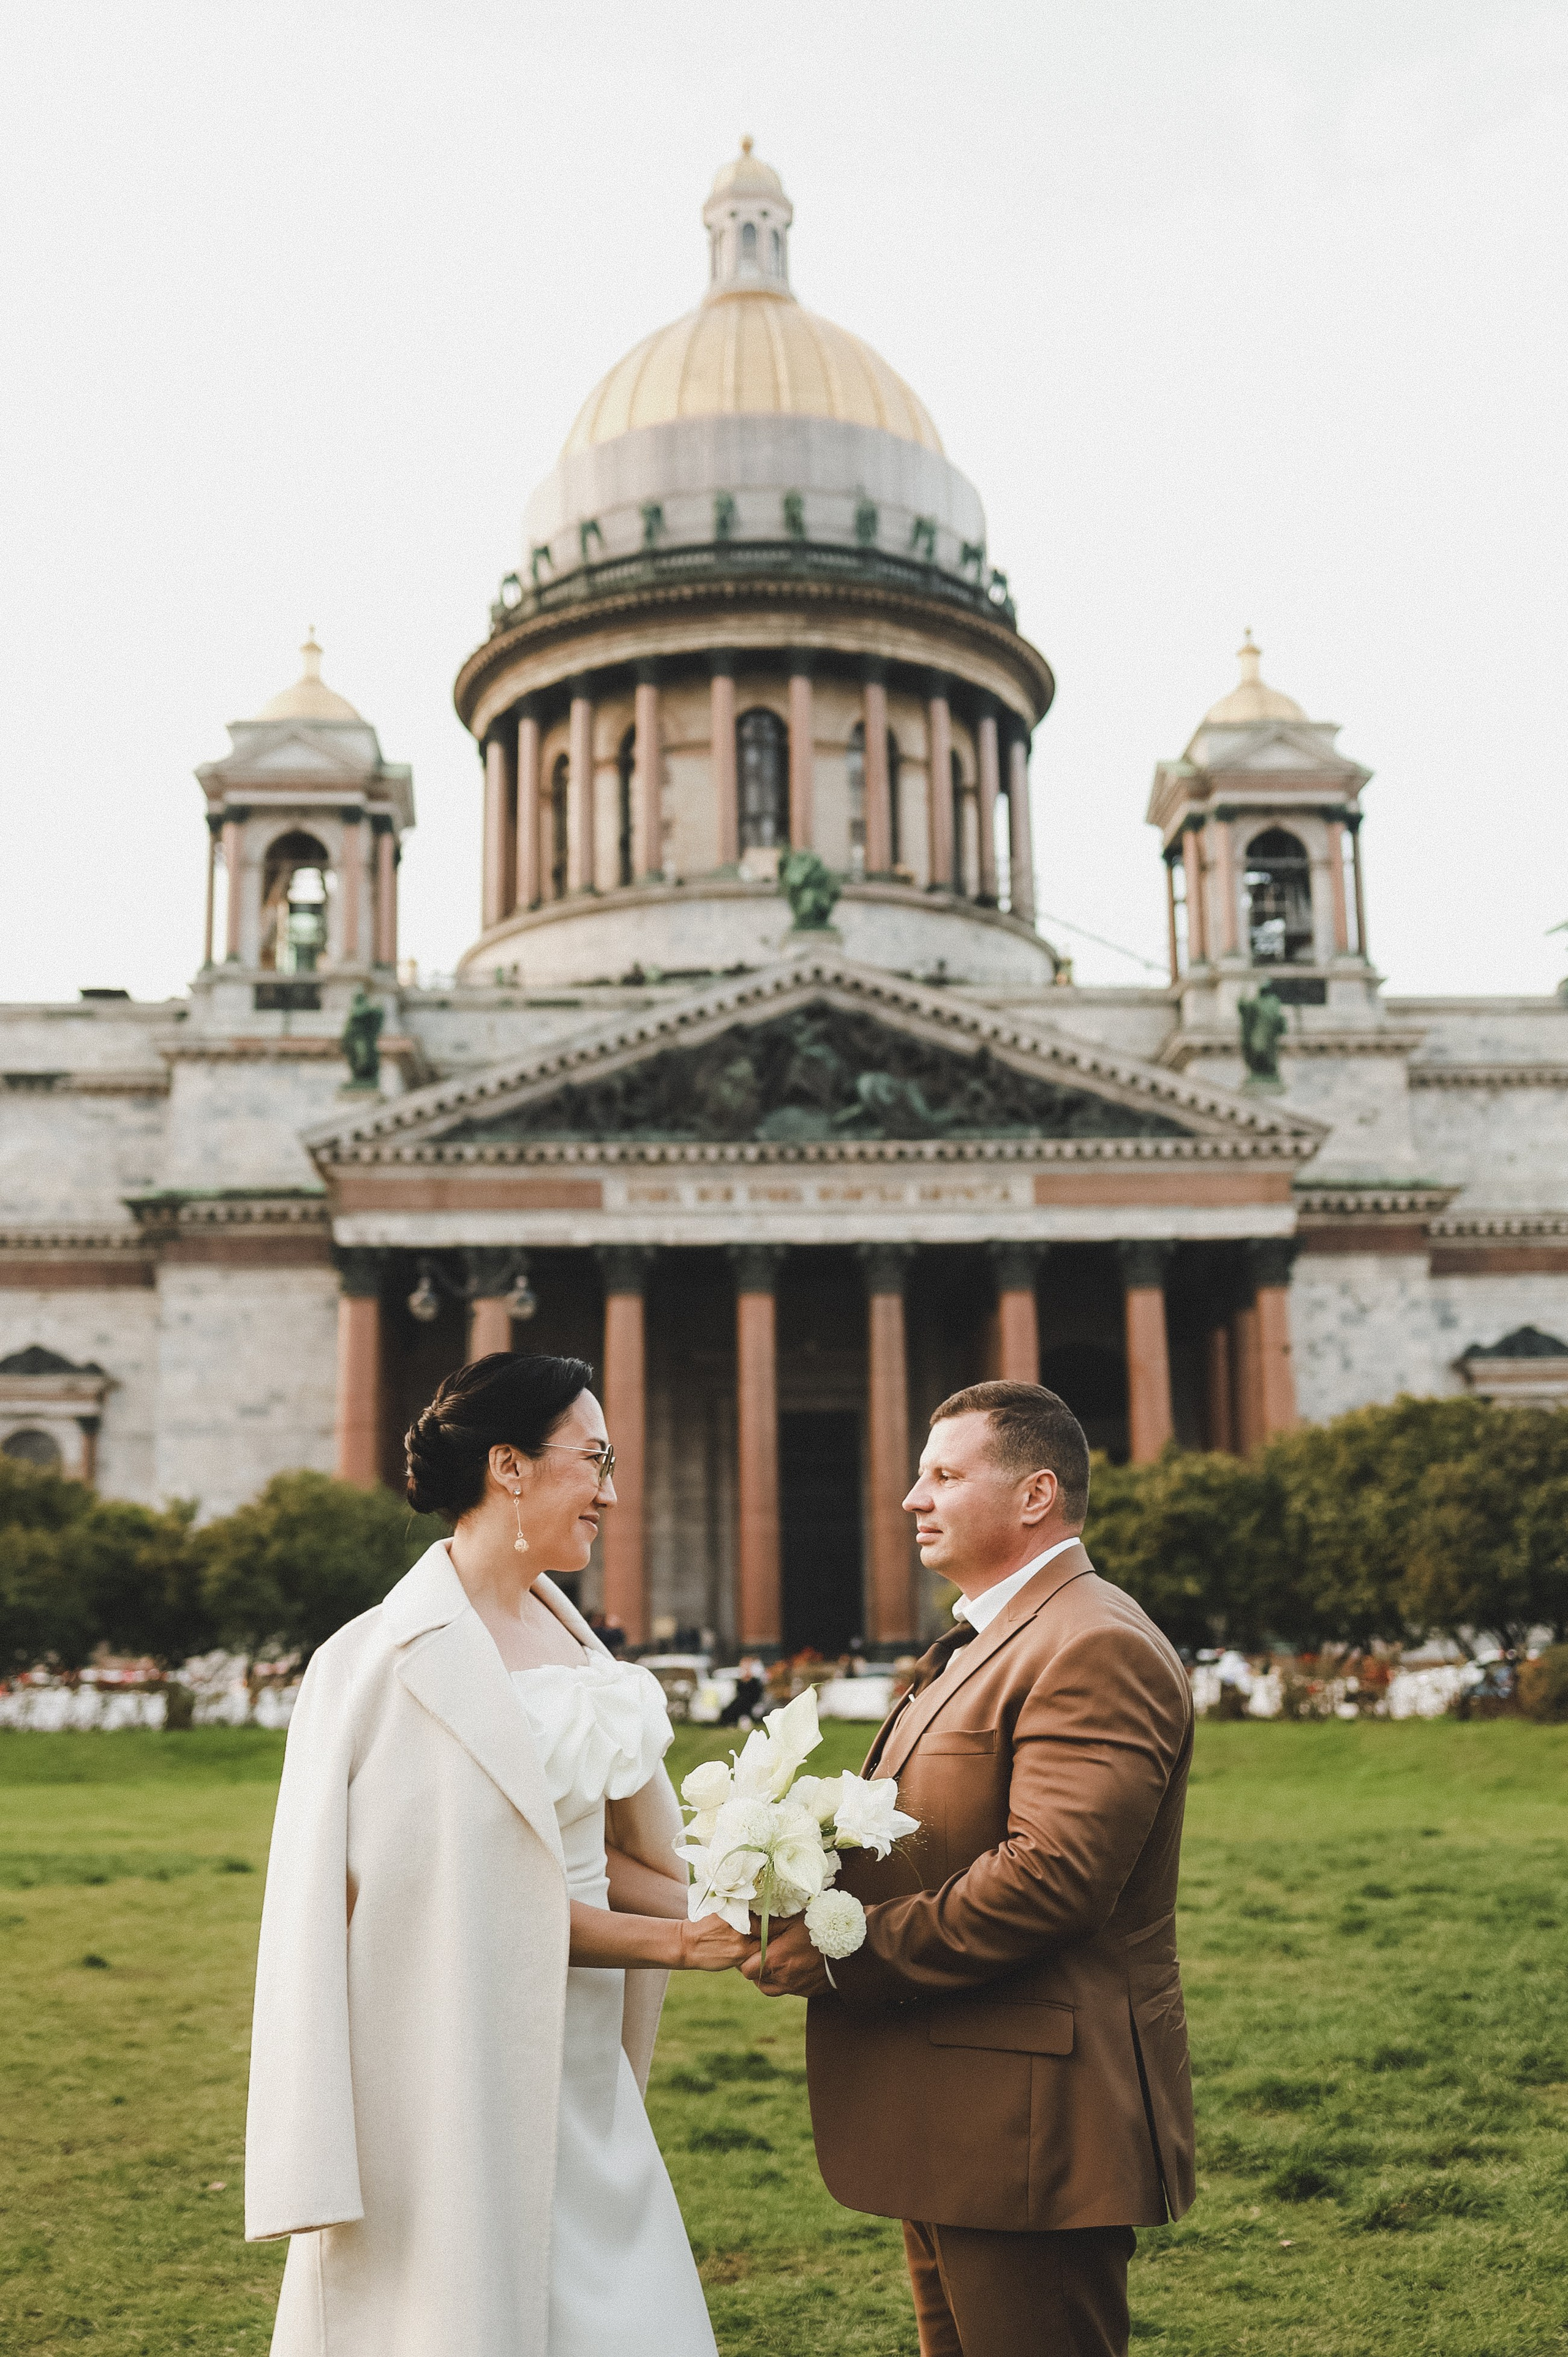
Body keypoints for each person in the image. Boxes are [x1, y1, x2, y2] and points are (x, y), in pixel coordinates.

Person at [245, 1352, 752, 2357]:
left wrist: (758, 1890)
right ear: (510, 1468)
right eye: (594, 1459)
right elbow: (450, 1907)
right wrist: (675, 1947)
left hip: (583, 2067)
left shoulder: (580, 1649)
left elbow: (610, 1861)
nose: (611, 1490)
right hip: (448, 2067)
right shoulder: (379, 1666)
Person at [744, 1379, 1196, 2357]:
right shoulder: (995, 1638)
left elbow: (1053, 1878)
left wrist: (839, 1956)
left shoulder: (1093, 1643)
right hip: (964, 2112)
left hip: (1033, 2126)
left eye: (944, 1476)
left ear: (1035, 1496)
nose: (913, 1499)